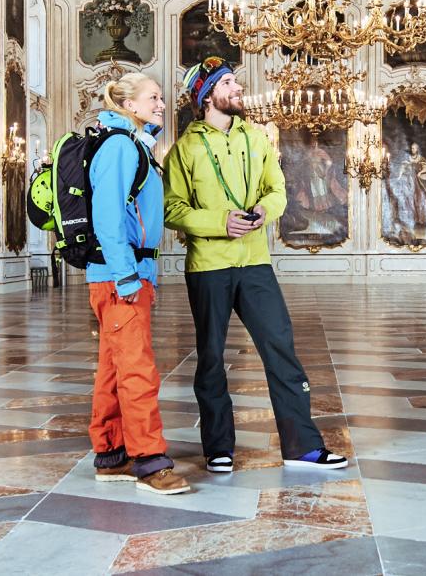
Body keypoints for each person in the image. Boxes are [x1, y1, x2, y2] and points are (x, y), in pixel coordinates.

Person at [164, 60, 348, 474]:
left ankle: (303, 446)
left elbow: (277, 188)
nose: (238, 87)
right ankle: (218, 448)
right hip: (208, 264)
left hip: (255, 263)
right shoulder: (185, 149)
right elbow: (171, 208)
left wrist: (266, 210)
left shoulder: (256, 137)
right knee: (211, 355)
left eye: (235, 80)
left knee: (281, 348)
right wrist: (216, 223)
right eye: (228, 83)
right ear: (207, 95)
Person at [86, 72, 192, 494]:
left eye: (162, 98)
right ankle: (150, 462)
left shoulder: (134, 145)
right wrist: (127, 274)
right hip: (119, 276)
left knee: (113, 368)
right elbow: (107, 216)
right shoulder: (117, 147)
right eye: (154, 97)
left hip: (128, 273)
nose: (162, 104)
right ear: (129, 104)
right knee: (137, 370)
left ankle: (111, 454)